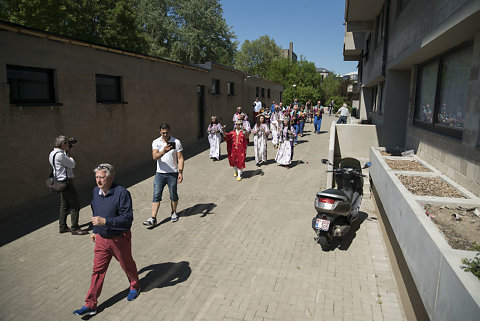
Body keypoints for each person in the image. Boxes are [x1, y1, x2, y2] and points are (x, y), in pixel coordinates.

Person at [73, 164, 140, 316]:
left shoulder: (121, 193)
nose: (98, 180)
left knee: (127, 265)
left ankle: (135, 286)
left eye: (102, 177)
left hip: (119, 239)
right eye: (96, 177)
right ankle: (90, 304)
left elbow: (128, 219)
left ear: (111, 177)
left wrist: (106, 222)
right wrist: (95, 231)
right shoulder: (96, 192)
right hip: (101, 239)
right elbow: (95, 211)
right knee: (97, 271)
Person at [143, 123, 184, 226]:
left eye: (166, 133)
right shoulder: (156, 142)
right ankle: (153, 218)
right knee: (156, 195)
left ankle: (174, 212)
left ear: (169, 131)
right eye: (163, 133)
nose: (165, 135)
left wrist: (180, 172)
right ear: (160, 132)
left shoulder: (176, 142)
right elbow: (154, 156)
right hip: (160, 174)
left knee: (173, 194)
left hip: (172, 174)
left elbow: (180, 158)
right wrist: (163, 151)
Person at [49, 135, 88, 235]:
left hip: (59, 182)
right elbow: (72, 164)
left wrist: (67, 150)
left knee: (64, 204)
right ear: (62, 144)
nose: (68, 145)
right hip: (66, 183)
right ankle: (75, 228)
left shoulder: (52, 153)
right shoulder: (61, 155)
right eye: (67, 143)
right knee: (75, 205)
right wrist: (69, 153)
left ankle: (62, 227)